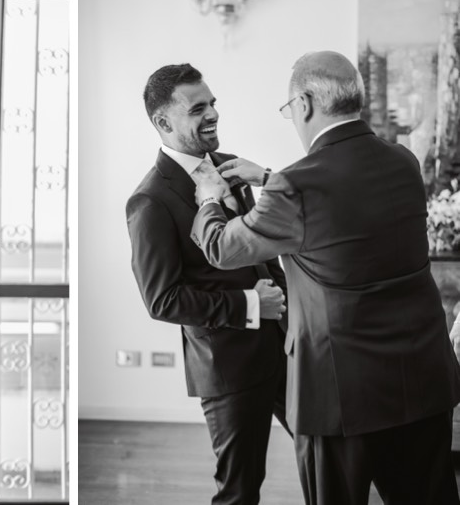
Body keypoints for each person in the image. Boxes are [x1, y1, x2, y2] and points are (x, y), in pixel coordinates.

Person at [191, 50, 460, 505]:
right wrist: (270, 177)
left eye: (289, 108)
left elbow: (223, 248)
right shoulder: (403, 161)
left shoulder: (295, 186)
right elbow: (342, 203)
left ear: (305, 104)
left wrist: (209, 199)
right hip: (422, 379)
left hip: (340, 395)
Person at [125, 64, 290, 505]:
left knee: (326, 452)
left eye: (212, 103)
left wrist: (289, 309)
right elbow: (162, 300)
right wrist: (249, 305)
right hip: (229, 364)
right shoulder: (150, 200)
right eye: (198, 108)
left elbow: (259, 251)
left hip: (285, 343)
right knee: (239, 490)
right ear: (164, 122)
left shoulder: (231, 165)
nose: (213, 113)